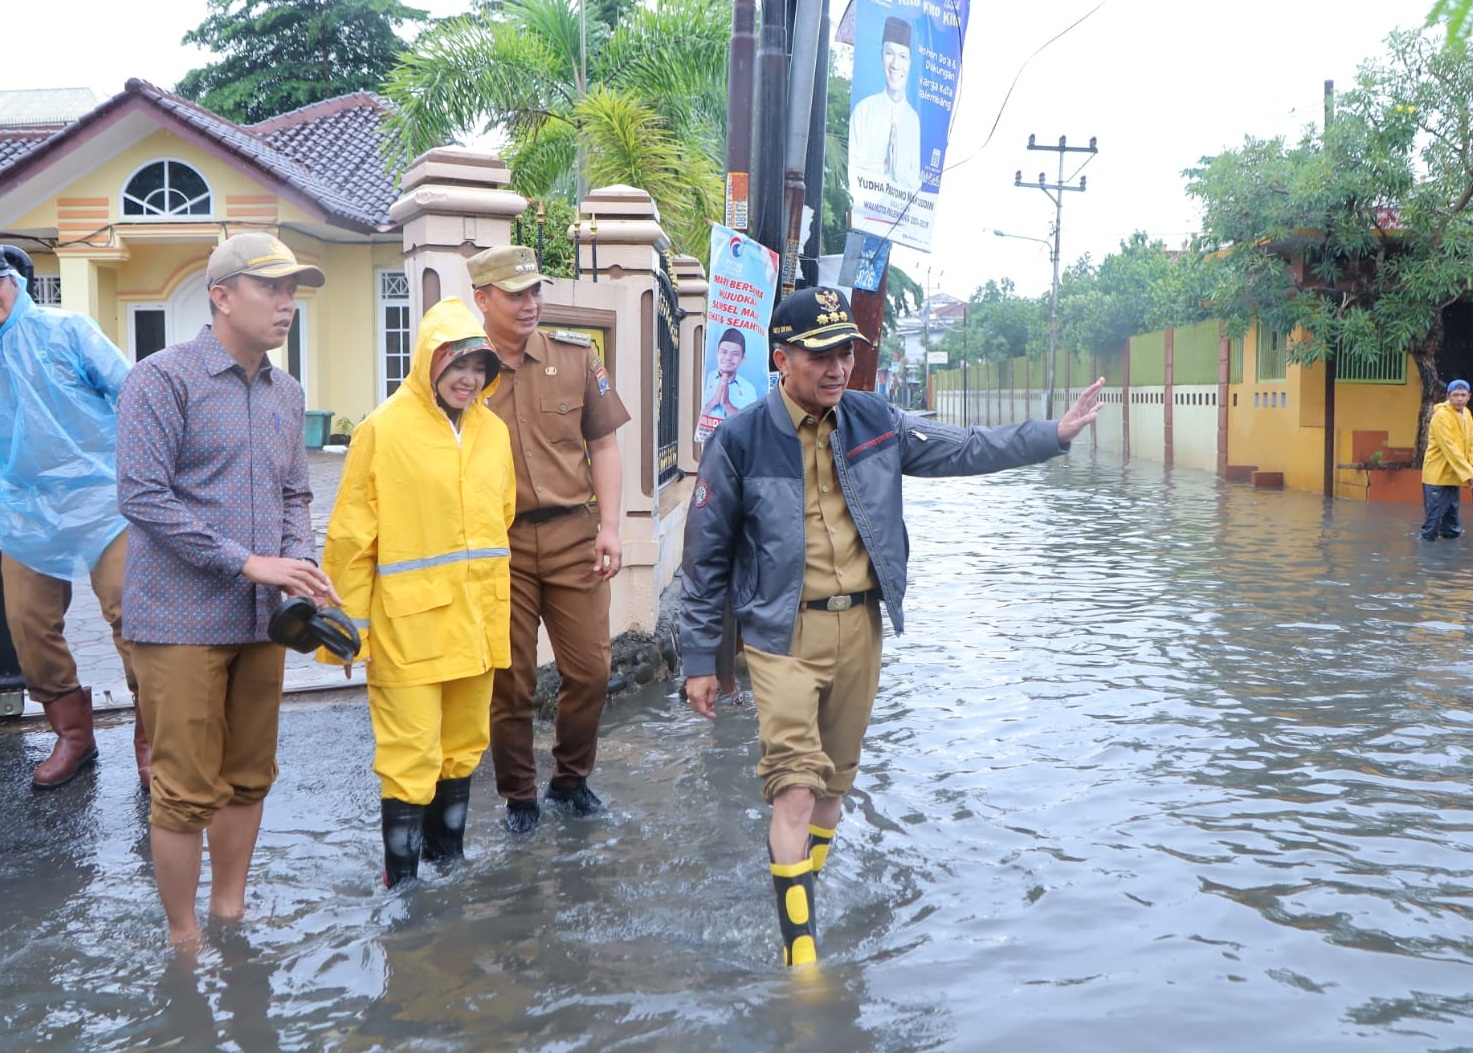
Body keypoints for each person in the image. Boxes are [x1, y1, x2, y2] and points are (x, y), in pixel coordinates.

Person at [679, 286, 1104, 968]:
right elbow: (703, 556)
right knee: (792, 786)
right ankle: (803, 958)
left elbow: (963, 448)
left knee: (830, 795)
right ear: (781, 358)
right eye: (821, 355)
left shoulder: (874, 421)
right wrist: (701, 657)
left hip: (860, 632)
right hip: (778, 637)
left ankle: (800, 891)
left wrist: (1047, 436)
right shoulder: (740, 441)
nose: (837, 367)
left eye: (845, 351)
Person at [116, 232, 339, 950]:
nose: (286, 303)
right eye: (270, 288)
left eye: (293, 290)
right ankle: (184, 939)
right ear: (220, 295)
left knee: (248, 775)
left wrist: (298, 566)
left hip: (260, 622)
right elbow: (142, 496)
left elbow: (295, 494)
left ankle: (230, 911)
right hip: (178, 619)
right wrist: (249, 563)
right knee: (183, 788)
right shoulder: (161, 378)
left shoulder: (287, 392)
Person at [320, 297, 516, 887]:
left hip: (478, 623)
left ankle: (447, 860)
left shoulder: (494, 433)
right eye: (458, 365)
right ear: (428, 360)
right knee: (410, 756)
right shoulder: (383, 430)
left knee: (463, 746)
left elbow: (499, 517)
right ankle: (401, 881)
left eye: (479, 368)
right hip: (409, 628)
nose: (469, 379)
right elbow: (351, 539)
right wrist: (347, 635)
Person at [467, 245, 631, 834]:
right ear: (482, 300)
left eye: (535, 291)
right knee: (510, 680)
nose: (530, 303)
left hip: (572, 534)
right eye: (515, 294)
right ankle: (518, 797)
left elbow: (605, 446)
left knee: (588, 669)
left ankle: (570, 779)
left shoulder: (576, 356)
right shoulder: (464, 372)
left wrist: (610, 526)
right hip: (497, 544)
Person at [0, 244, 150, 790]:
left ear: (6, 281)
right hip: (23, 509)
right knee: (26, 620)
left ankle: (153, 734)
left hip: (103, 497)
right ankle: (73, 736)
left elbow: (134, 392)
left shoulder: (66, 331)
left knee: (131, 612)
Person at [848, 16, 923, 195]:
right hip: (860, 216)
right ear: (881, 55)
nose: (895, 64)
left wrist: (898, 170)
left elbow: (915, 183)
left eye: (902, 56)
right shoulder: (863, 111)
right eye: (890, 53)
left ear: (910, 62)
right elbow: (851, 171)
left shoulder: (913, 121)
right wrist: (884, 166)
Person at [1420, 378, 1473, 541]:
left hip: (1454, 475)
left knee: (1451, 524)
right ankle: (1427, 561)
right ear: (1448, 396)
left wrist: (1470, 469)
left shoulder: (1467, 415)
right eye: (1455, 395)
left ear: (1469, 396)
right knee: (1433, 522)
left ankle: (1449, 563)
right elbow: (1450, 448)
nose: (1459, 399)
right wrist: (1469, 473)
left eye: (1463, 395)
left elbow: (1470, 445)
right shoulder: (1441, 416)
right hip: (1437, 476)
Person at [700, 327, 760, 424]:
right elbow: (691, 421)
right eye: (723, 352)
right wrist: (713, 402)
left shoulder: (749, 388)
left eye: (735, 354)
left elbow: (750, 426)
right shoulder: (703, 378)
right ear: (717, 353)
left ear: (742, 358)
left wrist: (727, 404)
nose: (728, 358)